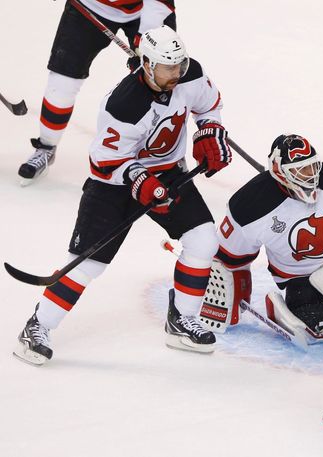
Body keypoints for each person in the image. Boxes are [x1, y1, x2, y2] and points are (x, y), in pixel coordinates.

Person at [13, 26, 232, 366]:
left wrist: (210, 131)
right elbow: (105, 162)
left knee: (203, 238)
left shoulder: (190, 75)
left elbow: (209, 105)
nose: (177, 73)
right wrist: (140, 180)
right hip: (113, 185)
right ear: (147, 64)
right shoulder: (124, 105)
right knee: (89, 264)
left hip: (168, 172)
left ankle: (182, 320)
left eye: (179, 65)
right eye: (168, 67)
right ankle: (37, 326)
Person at [212, 134, 323, 343]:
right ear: (279, 172)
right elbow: (229, 258)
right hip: (301, 278)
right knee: (314, 320)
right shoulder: (250, 206)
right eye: (301, 170)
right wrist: (234, 294)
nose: (311, 176)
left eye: (312, 166)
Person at [18, 0, 176, 186]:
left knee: (162, 79)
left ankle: (163, 156)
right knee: (62, 82)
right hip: (90, 5)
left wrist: (146, 35)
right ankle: (46, 146)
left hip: (148, 8)